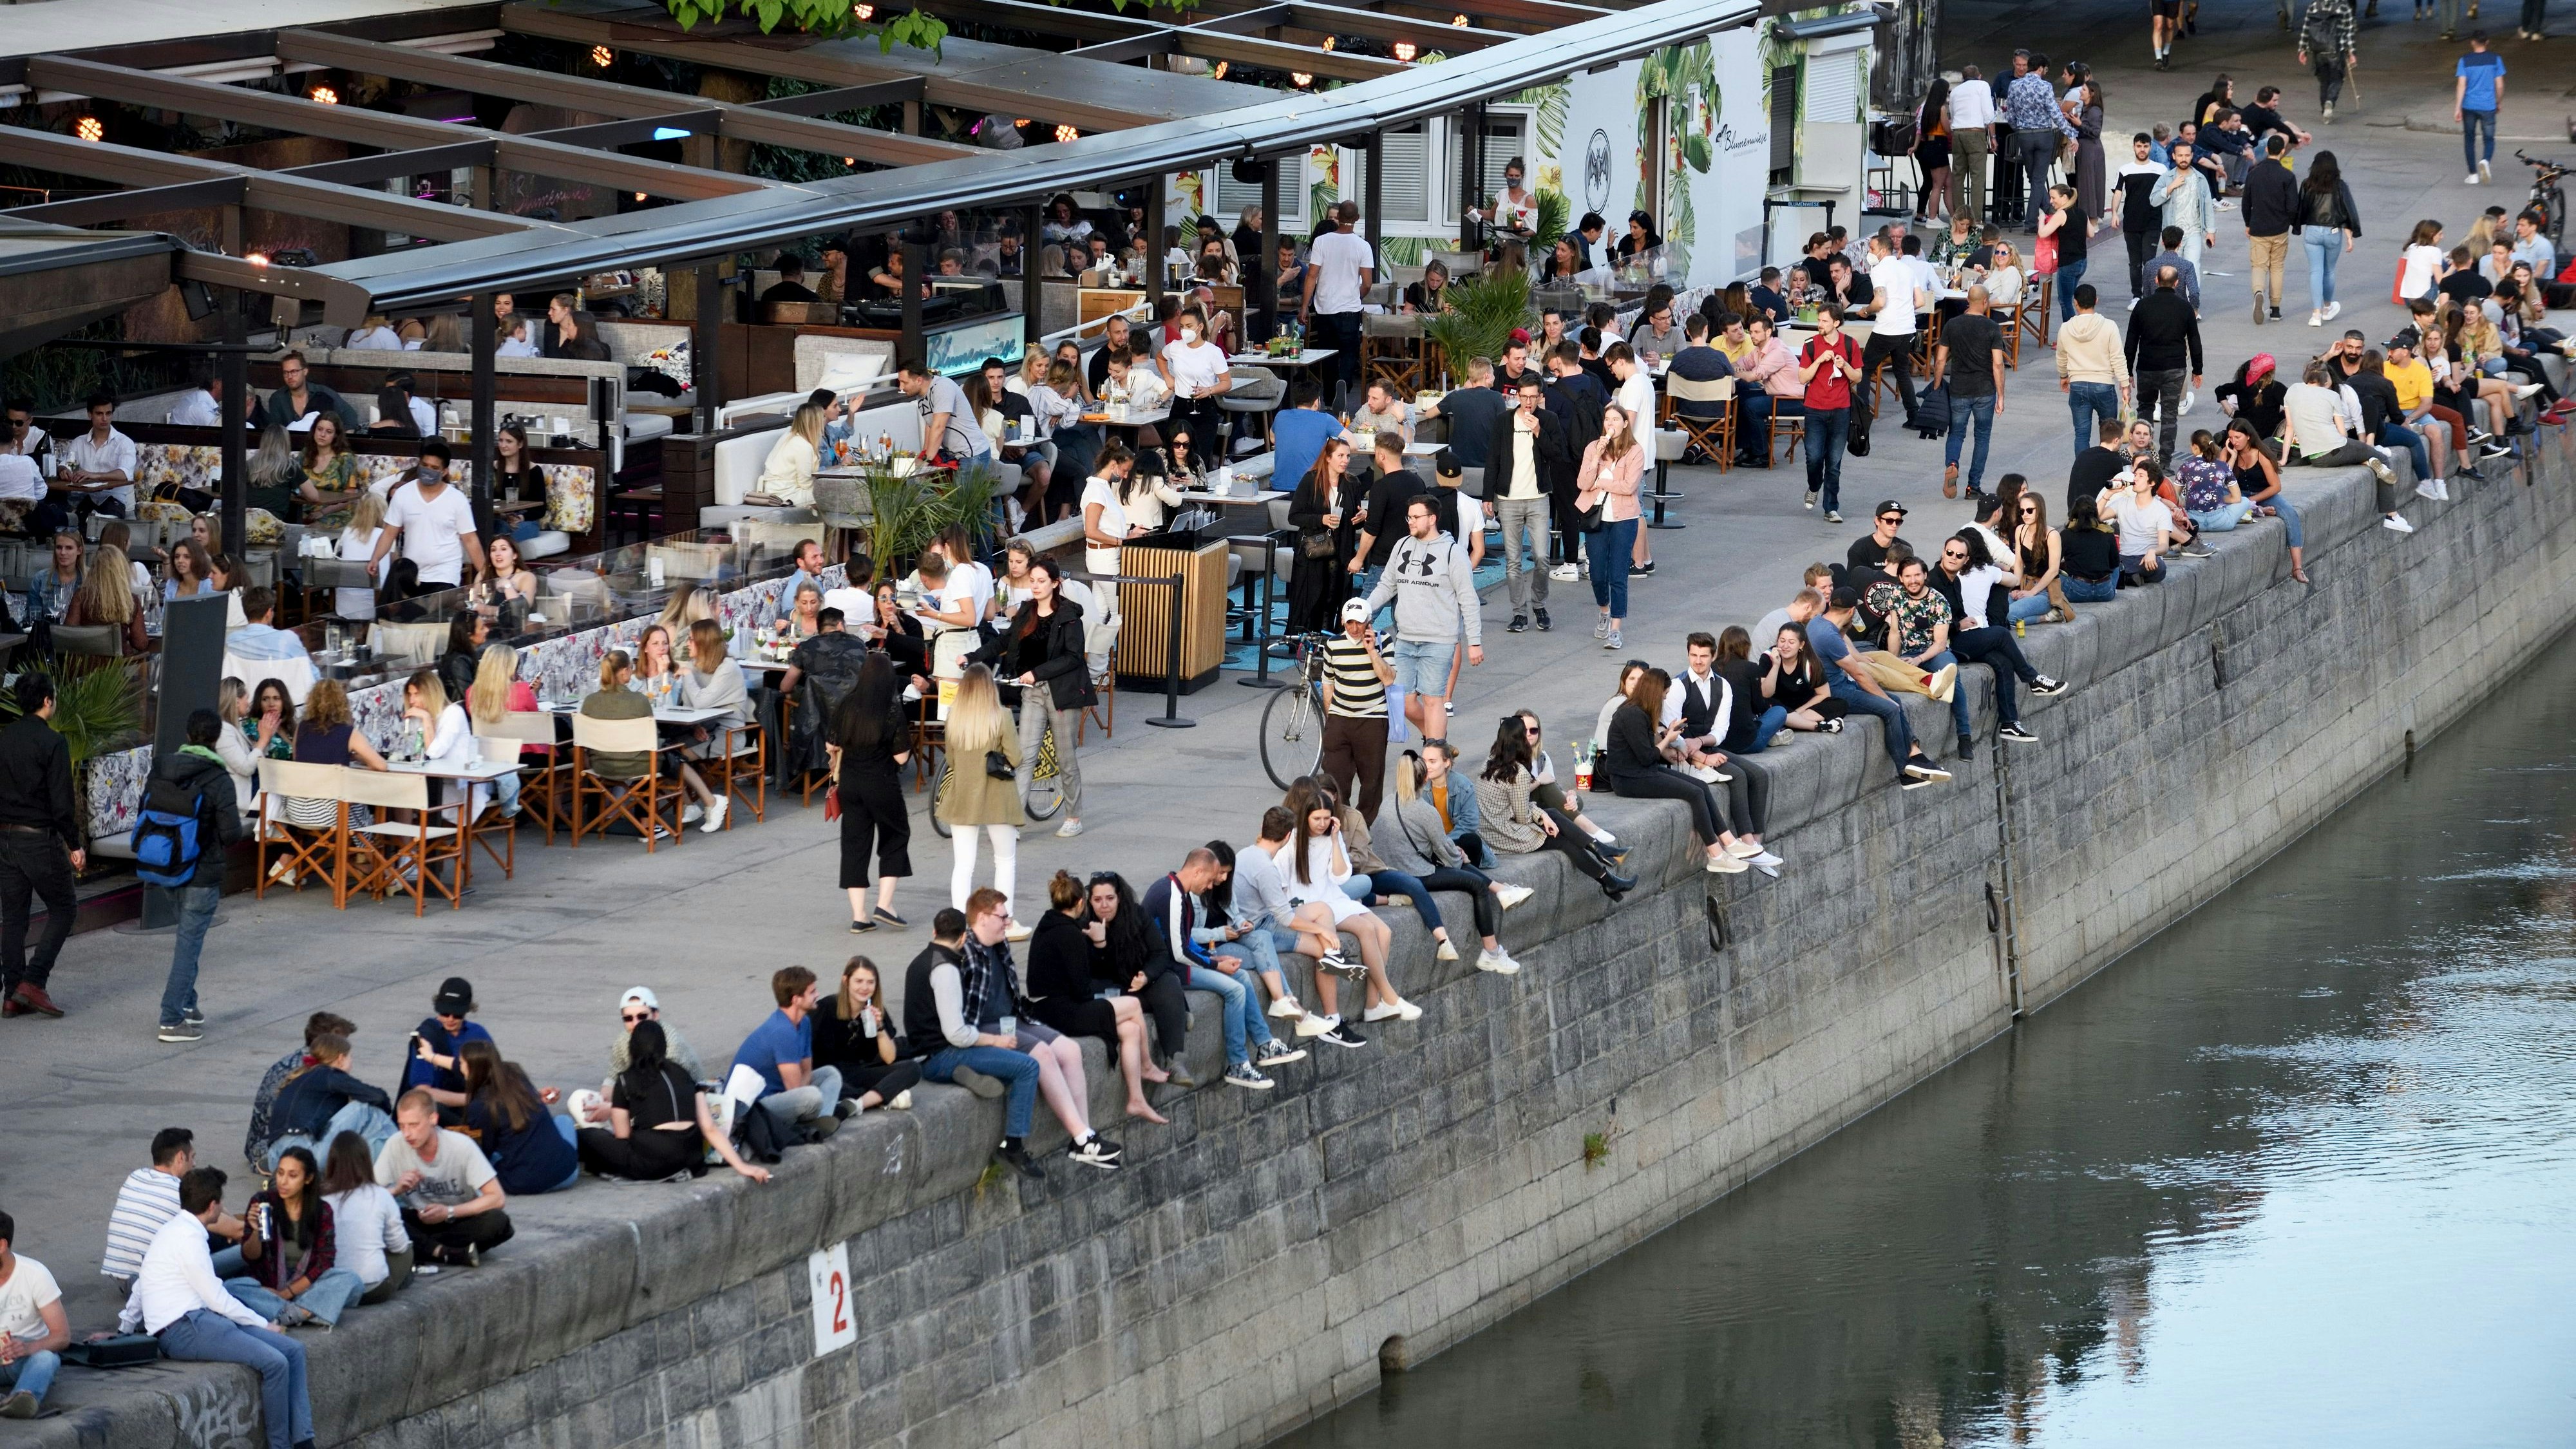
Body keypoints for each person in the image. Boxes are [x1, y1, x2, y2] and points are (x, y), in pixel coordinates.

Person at [910, 893, 1123, 1178]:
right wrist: (989, 1041)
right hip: (981, 1027)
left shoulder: (1000, 943)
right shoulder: (963, 953)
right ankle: (1082, 1136)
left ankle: (1083, 1139)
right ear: (982, 919)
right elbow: (954, 1019)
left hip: (1013, 1019)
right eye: (1003, 917)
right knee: (1041, 1056)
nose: (1008, 923)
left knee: (1071, 1051)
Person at [118, 1168, 316, 1448]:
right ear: (212, 1207)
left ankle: (305, 1441)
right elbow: (216, 1299)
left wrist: (123, 1328)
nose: (222, 1207)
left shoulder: (173, 1229)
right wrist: (263, 1324)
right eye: (221, 1203)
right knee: (275, 1363)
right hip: (184, 1330)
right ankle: (280, 1445)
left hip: (201, 1322)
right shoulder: (189, 1240)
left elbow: (141, 1287)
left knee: (294, 1351)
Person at [1276, 780, 1406, 1037]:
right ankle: (1388, 994)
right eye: (1318, 818)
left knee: (1385, 932)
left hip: (1331, 897)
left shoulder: (1328, 840)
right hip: (1306, 905)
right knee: (1366, 929)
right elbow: (1278, 885)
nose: (1323, 823)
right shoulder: (1291, 844)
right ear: (1306, 816)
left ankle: (1374, 1003)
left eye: (1327, 818)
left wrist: (1335, 841)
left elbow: (1341, 876)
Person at [143, 710, 242, 1045]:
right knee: (188, 945)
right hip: (202, 874)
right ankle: (171, 1020)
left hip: (167, 866)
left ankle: (188, 1004)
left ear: (188, 735)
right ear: (215, 739)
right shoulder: (219, 779)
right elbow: (230, 835)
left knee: (189, 940)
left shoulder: (162, 768)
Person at [1358, 495, 1484, 731]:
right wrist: (1365, 608)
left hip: (1439, 640)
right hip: (1405, 638)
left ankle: (1433, 753)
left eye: (1417, 517)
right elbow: (1387, 585)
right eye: (1409, 517)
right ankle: (1435, 740)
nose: (1411, 522)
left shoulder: (1453, 552)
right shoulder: (1402, 545)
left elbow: (1468, 599)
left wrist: (1474, 642)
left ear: (1432, 519)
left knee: (1433, 700)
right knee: (1403, 701)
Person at [1810, 588, 1952, 790]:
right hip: (1836, 691)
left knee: (1897, 700)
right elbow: (1859, 674)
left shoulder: (1818, 622)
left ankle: (1915, 754)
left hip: (1835, 684)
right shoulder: (1829, 637)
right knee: (1891, 707)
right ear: (1852, 611)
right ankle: (1905, 771)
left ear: (1831, 605)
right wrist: (1884, 698)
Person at [0, 676, 79, 1023]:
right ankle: (33, 981)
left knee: (14, 918)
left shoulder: (4, 738)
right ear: (48, 701)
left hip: (5, 838)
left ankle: (11, 994)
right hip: (38, 839)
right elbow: (62, 804)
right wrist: (75, 844)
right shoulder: (53, 742)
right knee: (63, 908)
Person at [226, 1144, 366, 1328]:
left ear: (308, 1179)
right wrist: (254, 1231)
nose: (283, 1182)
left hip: (305, 1288)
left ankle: (290, 1312)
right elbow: (250, 1257)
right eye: (281, 1173)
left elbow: (324, 1262)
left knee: (351, 1280)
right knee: (231, 1287)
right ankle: (304, 1312)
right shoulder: (263, 1201)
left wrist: (286, 1294)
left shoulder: (322, 1211)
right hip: (267, 1288)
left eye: (292, 1176)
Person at [828, 650, 915, 933]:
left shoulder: (847, 704)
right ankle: (885, 904)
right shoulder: (890, 710)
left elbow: (832, 744)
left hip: (850, 784)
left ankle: (859, 916)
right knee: (895, 836)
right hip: (881, 783)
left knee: (854, 845)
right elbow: (902, 758)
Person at [374, 1090, 511, 1265]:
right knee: (383, 1217)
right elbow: (368, 1197)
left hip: (458, 1219)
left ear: (433, 1119)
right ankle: (443, 1252)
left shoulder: (460, 1145)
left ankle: (423, 1249)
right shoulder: (395, 1144)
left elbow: (497, 1198)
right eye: (402, 1126)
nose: (407, 1134)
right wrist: (396, 1190)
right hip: (420, 1219)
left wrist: (448, 1212)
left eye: (414, 1125)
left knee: (498, 1222)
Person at [936, 665, 1024, 929]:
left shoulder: (954, 718)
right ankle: (1004, 921)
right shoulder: (1003, 717)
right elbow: (1016, 758)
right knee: (1005, 861)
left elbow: (951, 760)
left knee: (963, 865)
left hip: (963, 793)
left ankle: (958, 922)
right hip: (998, 794)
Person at [735, 965, 849, 1141]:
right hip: (756, 1108)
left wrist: (807, 1087)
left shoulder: (803, 1023)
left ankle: (819, 1124)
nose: (817, 994)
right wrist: (809, 1091)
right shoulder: (782, 1031)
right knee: (812, 1096)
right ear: (796, 999)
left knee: (830, 1074)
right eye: (812, 992)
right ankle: (809, 1127)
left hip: (783, 1094)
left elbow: (807, 1070)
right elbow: (795, 1091)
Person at [260, 1033, 397, 1171]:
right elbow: (378, 1097)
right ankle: (398, 1163)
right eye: (350, 1057)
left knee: (365, 1127)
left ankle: (367, 1175)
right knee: (367, 1109)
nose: (351, 1061)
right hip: (306, 1154)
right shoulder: (329, 1075)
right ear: (341, 1059)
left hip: (276, 1159)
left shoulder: (300, 1079)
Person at [459, 1041, 578, 1195]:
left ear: (472, 1067)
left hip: (523, 1183)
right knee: (564, 1121)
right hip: (567, 1175)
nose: (460, 1067)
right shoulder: (515, 1073)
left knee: (488, 1158)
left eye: (461, 1063)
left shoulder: (480, 1106)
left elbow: (481, 1152)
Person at [368, 441, 486, 593]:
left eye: (435, 468)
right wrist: (375, 558)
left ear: (444, 472)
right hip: (410, 573)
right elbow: (390, 532)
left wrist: (484, 572)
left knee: (431, 613)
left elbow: (470, 539)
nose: (428, 470)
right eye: (425, 465)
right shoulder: (403, 494)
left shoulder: (457, 500)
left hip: (444, 575)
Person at [318, 1131, 414, 1303]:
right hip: (373, 1289)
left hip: (333, 1287)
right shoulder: (381, 1195)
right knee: (407, 1250)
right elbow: (399, 1246)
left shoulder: (321, 1199)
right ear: (366, 1162)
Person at [2125, 265, 2204, 462]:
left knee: (2145, 409)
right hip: (2175, 368)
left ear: (2156, 281)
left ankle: (2143, 458)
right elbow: (2194, 339)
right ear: (2177, 283)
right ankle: (2166, 460)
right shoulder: (2185, 308)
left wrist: (2128, 370)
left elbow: (2131, 340)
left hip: (2147, 367)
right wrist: (2198, 369)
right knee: (2170, 416)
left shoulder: (2142, 306)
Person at [1935, 285, 2007, 501]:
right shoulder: (1992, 327)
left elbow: (1940, 359)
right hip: (1985, 390)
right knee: (1982, 437)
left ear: (1968, 300)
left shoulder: (1952, 325)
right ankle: (1973, 486)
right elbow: (1998, 364)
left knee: (1956, 433)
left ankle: (1953, 464)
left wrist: (1937, 384)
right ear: (1985, 302)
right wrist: (2001, 395)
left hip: (1959, 389)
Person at [1302, 200, 1375, 402]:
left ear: (1338, 218)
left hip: (1325, 309)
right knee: (1349, 352)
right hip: (1349, 309)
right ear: (1357, 219)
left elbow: (1311, 276)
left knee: (1328, 356)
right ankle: (1344, 383)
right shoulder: (1363, 246)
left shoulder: (1322, 242)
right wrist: (1355, 296)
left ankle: (1329, 397)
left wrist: (1303, 307)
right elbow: (1367, 283)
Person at [1795, 305, 1862, 522]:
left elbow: (1858, 377)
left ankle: (1831, 508)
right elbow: (1803, 378)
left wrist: (1844, 366)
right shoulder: (1811, 345)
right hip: (1815, 408)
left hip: (1841, 409)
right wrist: (1819, 360)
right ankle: (1814, 486)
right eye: (1819, 320)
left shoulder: (1850, 344)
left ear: (1836, 323)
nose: (1820, 325)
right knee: (1813, 457)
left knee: (1834, 463)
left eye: (1825, 321)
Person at [0, 1209, 67, 1419]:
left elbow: (62, 1336)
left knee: (47, 1359)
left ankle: (22, 1398)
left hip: (23, 1358)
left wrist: (28, 1347)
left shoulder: (35, 1274)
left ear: (1, 1245)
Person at [2298, 0, 2359, 121]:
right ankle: (2330, 102)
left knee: (2324, 82)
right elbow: (2349, 32)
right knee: (2337, 79)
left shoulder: (2314, 6)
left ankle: (2325, 111)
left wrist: (2302, 49)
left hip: (2318, 50)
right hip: (2336, 50)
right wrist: (2351, 52)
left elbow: (2306, 28)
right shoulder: (2343, 7)